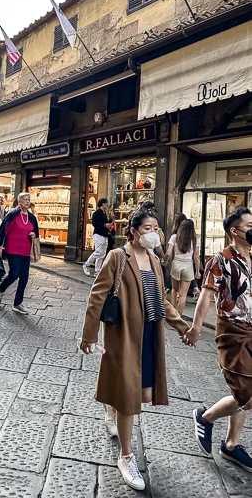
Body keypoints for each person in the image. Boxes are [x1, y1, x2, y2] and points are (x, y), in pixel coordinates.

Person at [80, 207, 191, 491]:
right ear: (133, 231)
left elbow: (161, 299)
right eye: (147, 229)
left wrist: (180, 325)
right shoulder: (118, 257)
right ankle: (126, 456)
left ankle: (111, 407)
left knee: (135, 389)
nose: (152, 234)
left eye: (156, 228)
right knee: (129, 396)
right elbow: (97, 295)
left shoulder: (154, 259)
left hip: (149, 334)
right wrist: (89, 335)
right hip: (123, 334)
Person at [185, 207, 252, 472]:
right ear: (234, 231)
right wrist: (195, 327)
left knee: (245, 387)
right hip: (233, 331)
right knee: (247, 391)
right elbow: (205, 295)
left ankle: (232, 445)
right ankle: (206, 416)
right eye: (249, 225)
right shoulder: (220, 259)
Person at [0, 192, 39, 314]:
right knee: (14, 275)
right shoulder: (13, 214)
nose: (27, 202)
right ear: (19, 201)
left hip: (25, 250)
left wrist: (34, 235)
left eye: (28, 199)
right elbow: (3, 231)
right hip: (13, 249)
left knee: (24, 277)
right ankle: (0, 289)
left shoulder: (32, 217)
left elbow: (35, 233)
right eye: (25, 199)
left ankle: (17, 304)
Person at [164, 218, 200, 315]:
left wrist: (165, 261)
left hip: (176, 264)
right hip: (188, 265)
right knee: (183, 295)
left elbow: (168, 252)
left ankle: (172, 314)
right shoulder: (195, 239)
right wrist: (197, 271)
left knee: (174, 290)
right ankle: (179, 317)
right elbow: (196, 257)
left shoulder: (174, 237)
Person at [83, 198, 112, 277]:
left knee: (102, 254)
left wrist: (111, 219)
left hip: (104, 234)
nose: (107, 205)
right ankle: (86, 265)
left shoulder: (104, 213)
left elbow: (107, 224)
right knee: (98, 251)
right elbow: (94, 223)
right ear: (102, 204)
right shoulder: (96, 213)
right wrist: (104, 225)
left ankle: (97, 271)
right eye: (106, 203)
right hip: (98, 234)